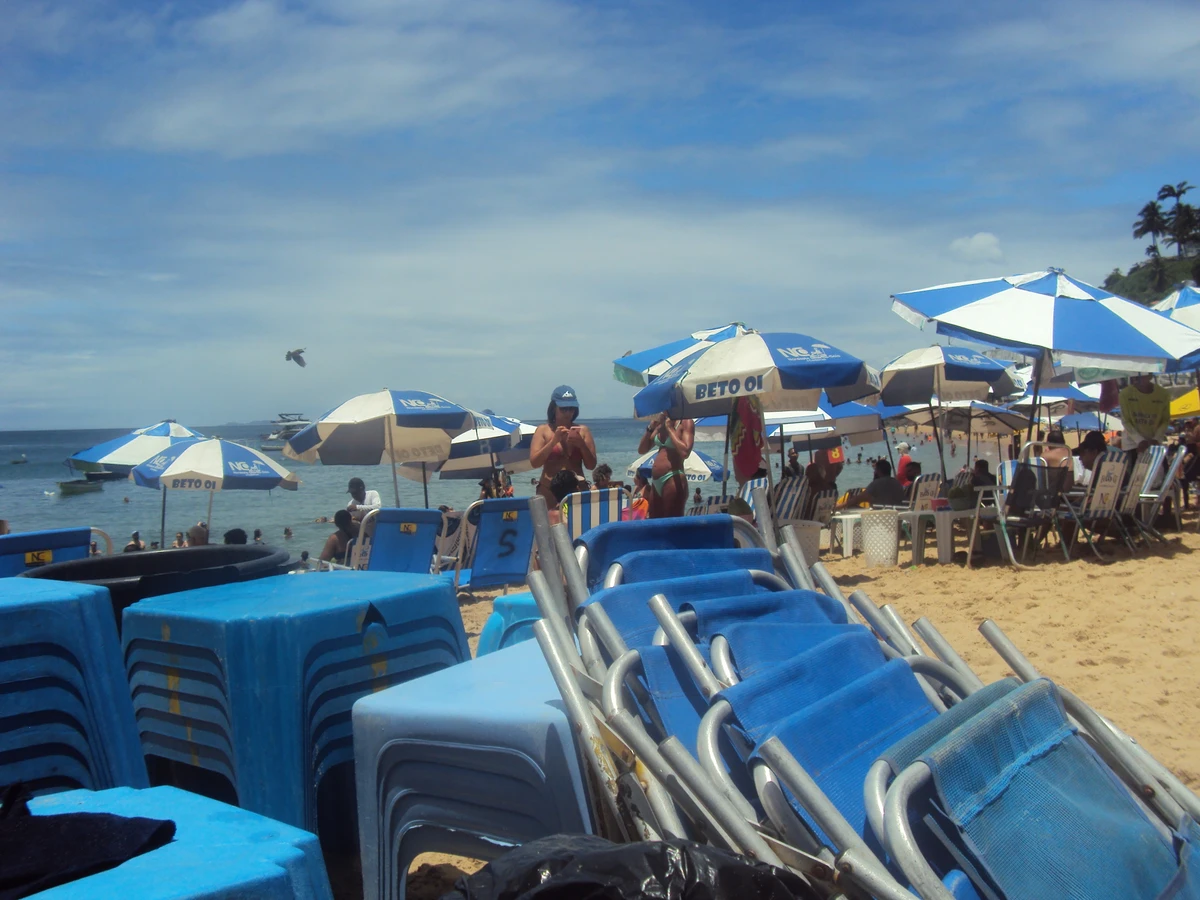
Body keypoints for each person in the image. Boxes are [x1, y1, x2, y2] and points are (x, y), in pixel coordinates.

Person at [530, 385, 597, 505]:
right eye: (563, 409)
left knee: (579, 523)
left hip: (577, 490)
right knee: (550, 523)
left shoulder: (583, 431)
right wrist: (553, 442)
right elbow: (535, 462)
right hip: (549, 491)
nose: (568, 413)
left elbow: (591, 465)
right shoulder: (543, 430)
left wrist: (582, 445)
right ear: (553, 408)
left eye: (571, 409)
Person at [636, 412, 695, 518]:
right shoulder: (660, 425)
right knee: (655, 522)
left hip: (673, 477)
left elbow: (685, 452)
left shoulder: (685, 422)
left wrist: (670, 429)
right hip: (656, 481)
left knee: (672, 525)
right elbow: (642, 449)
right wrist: (651, 427)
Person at [1119, 374, 1170, 453]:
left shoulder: (1163, 394)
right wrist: (1140, 441)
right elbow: (1126, 421)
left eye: (1143, 374)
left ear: (1150, 376)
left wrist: (1156, 439)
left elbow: (1165, 420)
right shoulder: (1125, 394)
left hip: (1154, 443)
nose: (1138, 377)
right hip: (1132, 444)